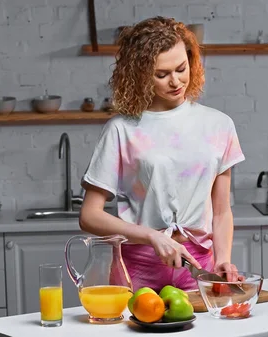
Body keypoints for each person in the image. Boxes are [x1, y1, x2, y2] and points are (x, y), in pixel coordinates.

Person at [78, 16, 245, 292]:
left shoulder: (219, 125)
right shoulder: (121, 129)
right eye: (161, 74)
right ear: (141, 75)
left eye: (182, 68)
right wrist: (150, 237)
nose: (176, 81)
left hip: (198, 267)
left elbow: (221, 211)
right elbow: (89, 216)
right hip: (137, 268)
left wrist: (223, 260)